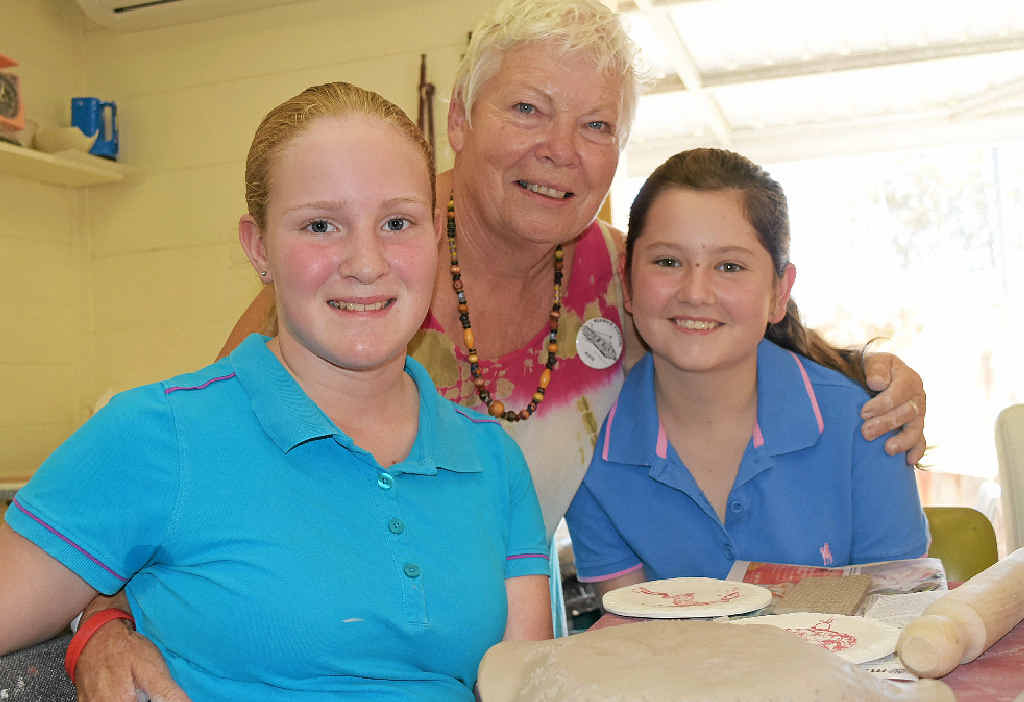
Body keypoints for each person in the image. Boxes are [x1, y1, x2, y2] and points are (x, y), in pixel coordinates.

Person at [70, 0, 928, 698]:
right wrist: (101, 620)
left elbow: (728, 320)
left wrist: (875, 376)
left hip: (507, 657)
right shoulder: (360, 276)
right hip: (301, 662)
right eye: (527, 109)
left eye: (596, 124)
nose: (560, 150)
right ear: (459, 118)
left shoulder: (623, 278)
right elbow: (186, 466)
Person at [0, 81, 551, 701]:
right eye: (321, 225)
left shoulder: (493, 459)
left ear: (435, 239)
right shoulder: (159, 434)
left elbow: (526, 686)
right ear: (259, 248)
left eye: (397, 222)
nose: (366, 262)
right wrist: (97, 626)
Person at [565, 148, 929, 596]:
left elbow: (898, 614)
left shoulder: (867, 423)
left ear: (780, 293)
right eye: (667, 262)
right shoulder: (588, 447)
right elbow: (629, 625)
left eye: (730, 266)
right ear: (627, 281)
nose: (696, 292)